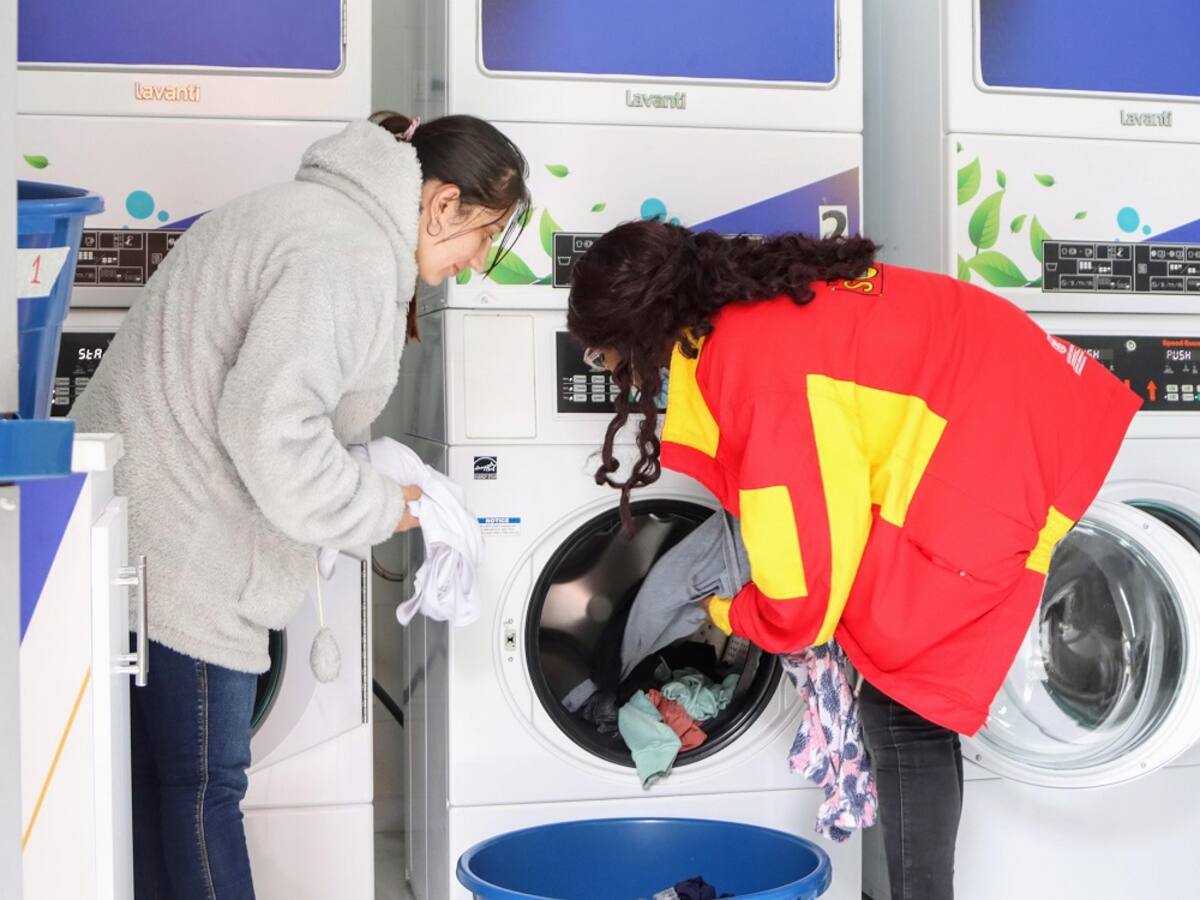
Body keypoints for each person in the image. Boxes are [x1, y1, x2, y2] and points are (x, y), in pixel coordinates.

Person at [565, 219, 1140, 900]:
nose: (615, 374)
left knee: (902, 706)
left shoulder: (748, 365)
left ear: (643, 328)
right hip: (1010, 408)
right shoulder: (748, 315)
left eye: (606, 358)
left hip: (991, 447)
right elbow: (825, 493)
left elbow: (802, 584)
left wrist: (727, 611)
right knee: (909, 705)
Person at [71, 112, 530, 900]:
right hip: (188, 548)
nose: (476, 260)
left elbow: (268, 407)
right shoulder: (346, 255)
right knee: (203, 790)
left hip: (135, 527)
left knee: (154, 793)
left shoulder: (318, 216)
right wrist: (388, 507)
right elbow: (269, 429)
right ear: (441, 202)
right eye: (483, 234)